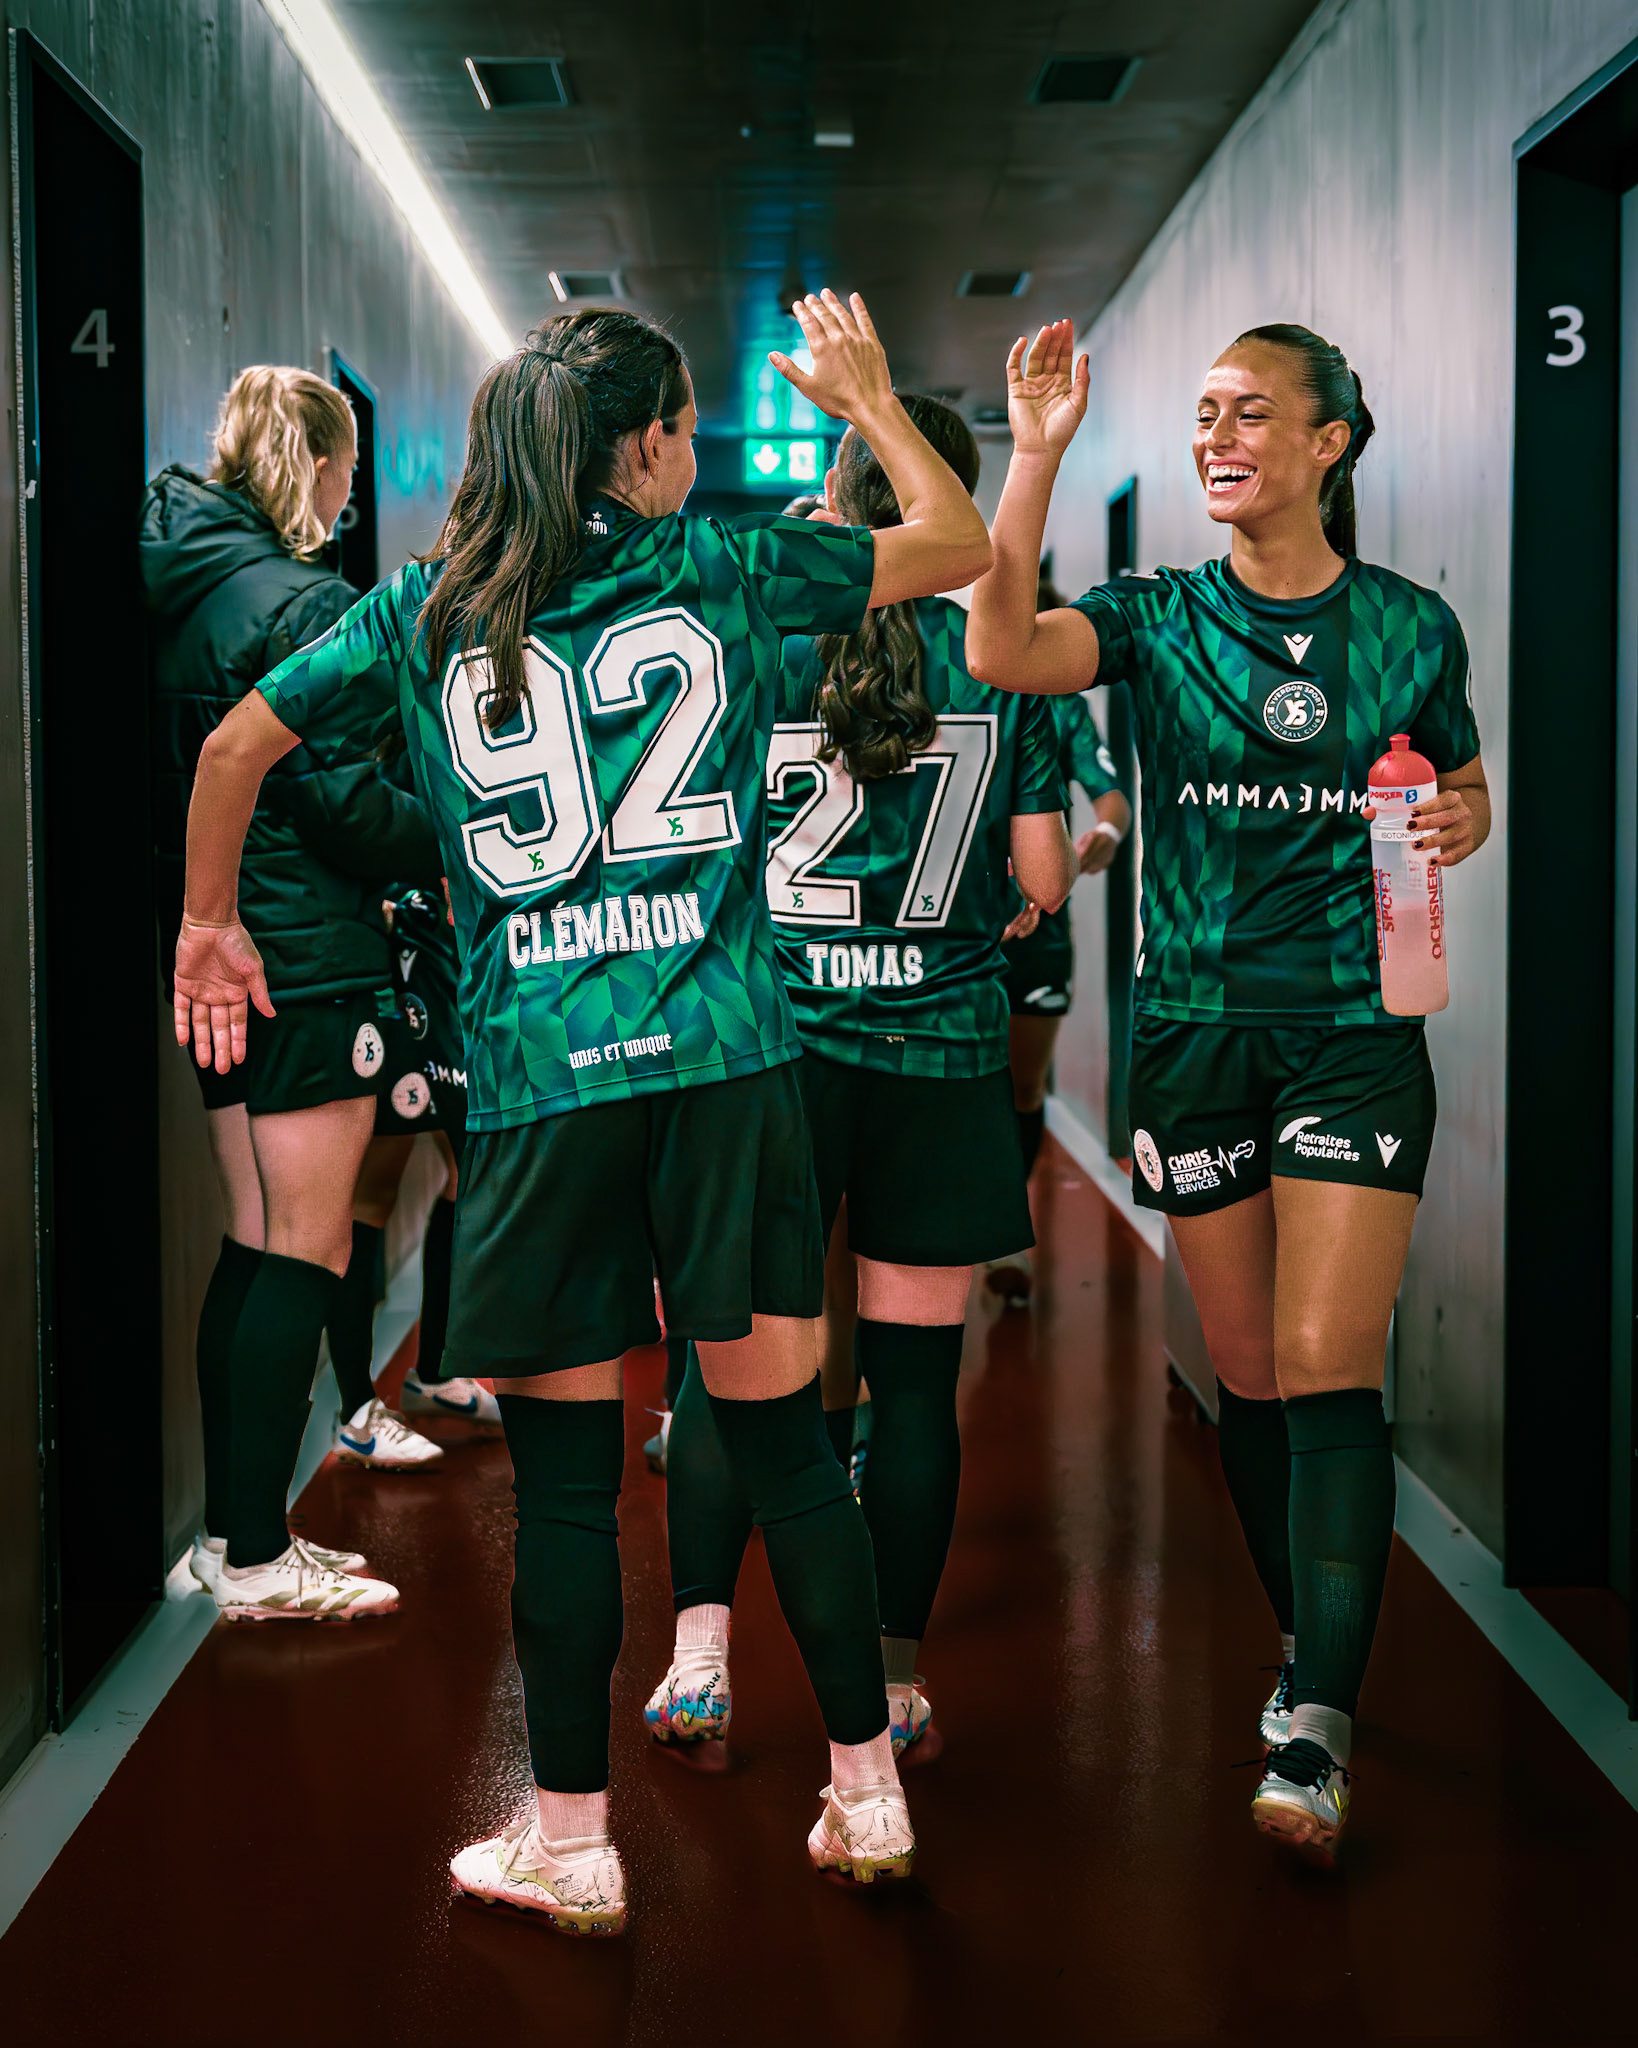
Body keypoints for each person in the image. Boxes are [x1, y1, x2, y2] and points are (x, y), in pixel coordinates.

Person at [172, 293, 992, 1932]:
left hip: (545, 1085)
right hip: (728, 1069)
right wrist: (869, 401)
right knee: (785, 1449)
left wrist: (209, 921)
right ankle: (865, 1792)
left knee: (561, 1480)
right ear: (643, 444)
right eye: (683, 425)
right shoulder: (729, 570)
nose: (695, 452)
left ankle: (572, 1839)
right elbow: (956, 542)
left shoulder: (423, 608)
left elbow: (236, 743)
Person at [966, 319, 1489, 1857]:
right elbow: (1001, 648)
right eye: (1201, 416)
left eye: (1250, 413)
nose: (1217, 438)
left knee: (1330, 1358)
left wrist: (1466, 815)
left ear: (1329, 441)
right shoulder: (1154, 614)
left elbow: (1453, 779)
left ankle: (1318, 1731)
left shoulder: (1407, 628)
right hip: (1191, 1033)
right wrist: (1037, 451)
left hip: (1346, 1029)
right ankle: (1300, 1646)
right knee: (1249, 1374)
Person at [645, 394, 1074, 1762]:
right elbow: (1044, 881)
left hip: (774, 1054)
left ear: (833, 502)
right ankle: (892, 1680)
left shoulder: (764, 633)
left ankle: (698, 1653)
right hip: (940, 1058)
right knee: (910, 1383)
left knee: (734, 1372)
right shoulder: (1002, 658)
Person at [143, 365, 442, 1618]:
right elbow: (337, 800)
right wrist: (453, 830)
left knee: (253, 1245)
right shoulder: (309, 600)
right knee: (308, 1251)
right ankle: (262, 1551)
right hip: (309, 963)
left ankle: (228, 1535)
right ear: (310, 462)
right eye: (346, 465)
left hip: (218, 966)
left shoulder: (180, 586)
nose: (351, 487)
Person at [988, 583, 1131, 1302]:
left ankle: (1007, 1237)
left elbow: (1112, 800)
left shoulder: (1064, 706)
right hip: (964, 926)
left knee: (1020, 1083)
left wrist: (1103, 835)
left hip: (1041, 929)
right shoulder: (959, 679)